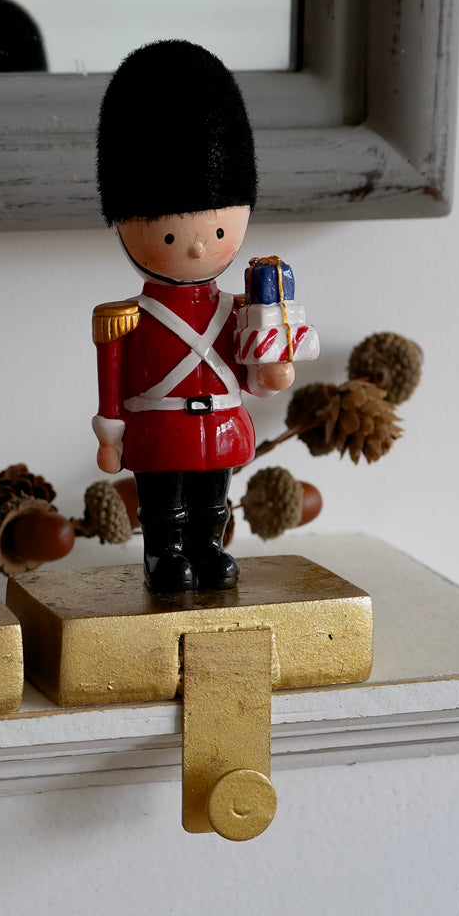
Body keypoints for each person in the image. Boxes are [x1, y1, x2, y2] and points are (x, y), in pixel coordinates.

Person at [92, 40, 296, 593]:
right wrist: (109, 435)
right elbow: (112, 383)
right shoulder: (125, 319)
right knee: (165, 507)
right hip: (160, 429)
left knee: (213, 502)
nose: (198, 247)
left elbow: (253, 372)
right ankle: (164, 555)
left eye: (220, 230)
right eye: (169, 236)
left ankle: (208, 548)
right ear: (124, 226)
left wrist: (273, 371)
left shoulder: (239, 308)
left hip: (220, 424)